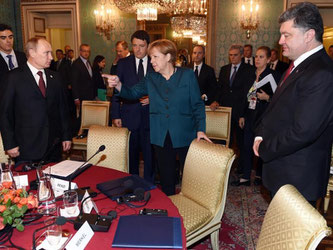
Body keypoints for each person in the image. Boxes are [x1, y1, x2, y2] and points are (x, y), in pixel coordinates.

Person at [104, 39, 211, 195]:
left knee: (190, 177)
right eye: (151, 57)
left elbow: (197, 105)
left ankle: (193, 206)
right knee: (167, 179)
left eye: (155, 57)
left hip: (185, 133)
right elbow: (132, 93)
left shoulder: (187, 75)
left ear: (168, 57)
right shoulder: (151, 78)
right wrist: (119, 84)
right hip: (160, 135)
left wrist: (201, 130)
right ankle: (172, 211)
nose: (151, 61)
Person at [253, 2, 333, 204]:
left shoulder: (322, 73)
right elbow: (276, 108)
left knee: (290, 235)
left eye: (287, 35)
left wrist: (264, 148)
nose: (280, 41)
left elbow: (303, 131)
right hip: (283, 170)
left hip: (298, 177)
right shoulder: (298, 65)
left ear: (308, 35)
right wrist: (260, 133)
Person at [0, 37, 72, 163]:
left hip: (53, 147)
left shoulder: (55, 77)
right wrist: (10, 143)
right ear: (32, 52)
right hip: (26, 147)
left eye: (51, 53)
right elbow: (5, 113)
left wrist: (66, 136)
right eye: (47, 53)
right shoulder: (13, 78)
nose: (51, 57)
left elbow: (62, 109)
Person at [233, 46, 280, 186]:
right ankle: (246, 176)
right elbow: (244, 97)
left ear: (268, 59)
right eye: (256, 57)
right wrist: (242, 115)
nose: (257, 60)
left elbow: (280, 99)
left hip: (265, 116)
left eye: (261, 57)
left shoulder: (274, 75)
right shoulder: (250, 74)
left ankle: (260, 176)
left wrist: (268, 97)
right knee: (246, 146)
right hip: (250, 114)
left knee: (261, 147)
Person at [111, 30, 155, 183]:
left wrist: (153, 98)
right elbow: (117, 90)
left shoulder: (155, 62)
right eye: (135, 45)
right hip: (129, 116)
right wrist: (115, 114)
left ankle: (150, 185)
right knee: (131, 155)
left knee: (150, 155)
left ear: (148, 46)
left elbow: (164, 88)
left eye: (141, 46)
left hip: (151, 117)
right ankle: (133, 184)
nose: (137, 49)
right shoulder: (123, 64)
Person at [210, 45, 256, 150]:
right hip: (225, 111)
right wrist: (216, 100)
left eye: (235, 55)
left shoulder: (249, 70)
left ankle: (240, 166)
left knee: (241, 142)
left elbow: (249, 94)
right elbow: (219, 88)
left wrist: (243, 114)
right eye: (230, 55)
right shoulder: (224, 69)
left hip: (240, 111)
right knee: (223, 141)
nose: (232, 57)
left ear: (241, 55)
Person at [71, 44, 96, 133]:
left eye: (88, 51)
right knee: (82, 116)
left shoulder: (88, 62)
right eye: (84, 51)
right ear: (80, 52)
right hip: (81, 96)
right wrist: (76, 98)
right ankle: (73, 133)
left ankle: (85, 133)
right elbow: (74, 82)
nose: (86, 53)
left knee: (88, 116)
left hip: (89, 95)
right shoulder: (76, 64)